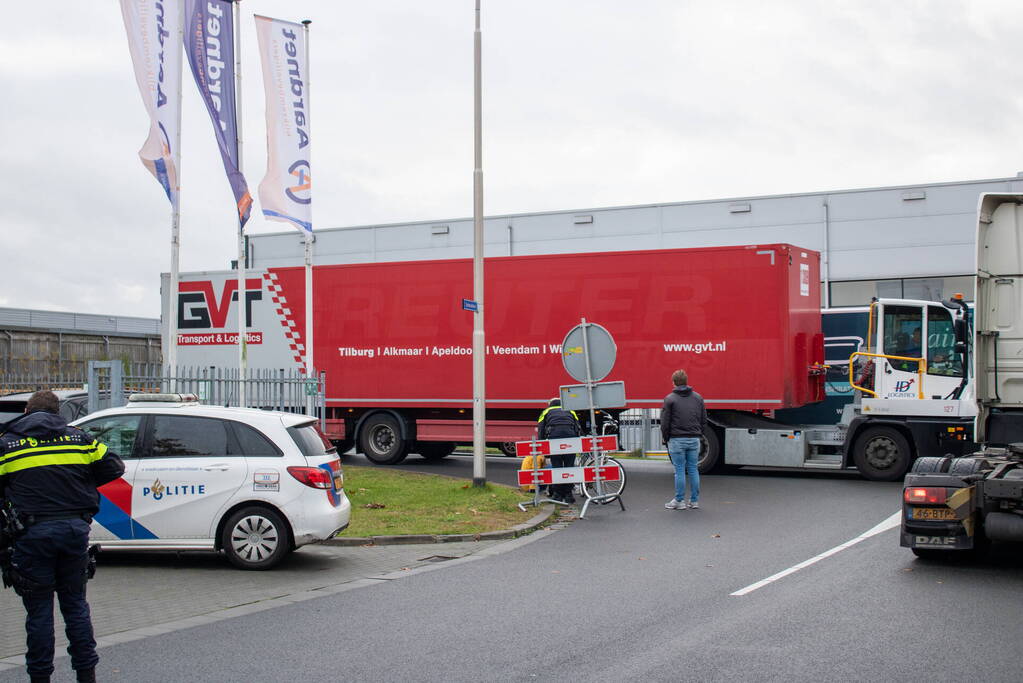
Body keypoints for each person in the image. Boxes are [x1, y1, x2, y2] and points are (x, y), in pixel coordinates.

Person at [0, 390, 125, 683]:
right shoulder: (80, 439)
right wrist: (78, 482)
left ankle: (40, 677)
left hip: (31, 534)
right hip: (74, 531)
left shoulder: (7, 444)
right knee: (75, 606)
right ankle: (86, 675)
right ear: (58, 413)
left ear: (28, 411)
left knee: (39, 611)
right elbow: (115, 466)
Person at [660, 369, 707, 510]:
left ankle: (679, 501)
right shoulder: (698, 398)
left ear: (673, 382)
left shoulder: (670, 399)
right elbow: (703, 420)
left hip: (676, 440)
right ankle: (694, 501)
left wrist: (666, 437)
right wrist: (699, 435)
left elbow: (665, 422)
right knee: (693, 469)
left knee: (679, 470)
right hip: (694, 439)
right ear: (686, 381)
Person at [537, 398, 581, 503]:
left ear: (550, 404)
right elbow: (578, 427)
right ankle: (569, 495)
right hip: (571, 440)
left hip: (554, 440)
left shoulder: (546, 411)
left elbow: (541, 429)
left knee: (557, 467)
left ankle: (557, 495)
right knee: (569, 467)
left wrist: (542, 445)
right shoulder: (571, 411)